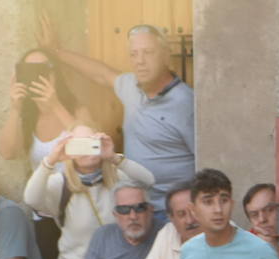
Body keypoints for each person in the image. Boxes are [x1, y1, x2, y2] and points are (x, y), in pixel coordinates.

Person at [39, 17, 194, 215]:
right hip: (134, 209)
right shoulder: (131, 87)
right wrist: (55, 53)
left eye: (148, 53)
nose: (140, 61)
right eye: (134, 54)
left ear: (165, 56)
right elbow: (102, 74)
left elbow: (207, 161)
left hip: (173, 213)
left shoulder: (186, 103)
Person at [0, 47, 92, 259]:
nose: (37, 76)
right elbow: (8, 152)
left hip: (78, 211)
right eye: (29, 71)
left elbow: (89, 148)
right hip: (44, 215)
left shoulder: (76, 110)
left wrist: (55, 105)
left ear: (54, 75)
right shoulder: (27, 117)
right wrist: (15, 109)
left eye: (43, 70)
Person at [24, 125, 154, 259]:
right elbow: (30, 199)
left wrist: (113, 157)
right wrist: (51, 160)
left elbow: (148, 181)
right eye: (79, 145)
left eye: (90, 143)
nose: (86, 150)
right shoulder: (61, 183)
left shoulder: (117, 176)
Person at [81, 184, 158, 259]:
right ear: (115, 214)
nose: (133, 216)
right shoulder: (102, 235)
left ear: (150, 210)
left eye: (140, 208)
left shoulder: (165, 234)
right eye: (124, 210)